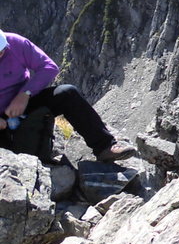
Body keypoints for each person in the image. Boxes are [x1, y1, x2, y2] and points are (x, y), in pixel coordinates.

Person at [0, 29, 135, 162]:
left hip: (24, 102)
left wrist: (25, 93)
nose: (1, 54)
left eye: (2, 50)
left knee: (67, 93)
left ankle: (105, 147)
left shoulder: (15, 43)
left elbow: (48, 67)